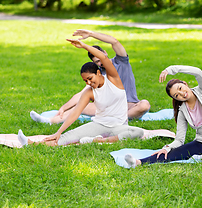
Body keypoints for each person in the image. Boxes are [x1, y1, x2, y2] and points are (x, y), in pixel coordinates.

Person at [18, 38, 175, 147]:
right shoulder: (89, 91)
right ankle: (31, 143)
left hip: (119, 126)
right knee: (66, 137)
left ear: (98, 73)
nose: (88, 82)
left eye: (90, 78)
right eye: (85, 80)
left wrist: (84, 45)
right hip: (98, 125)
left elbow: (103, 57)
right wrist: (58, 132)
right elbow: (75, 113)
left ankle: (98, 141)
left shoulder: (114, 79)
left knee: (137, 131)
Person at [124, 65, 202, 168]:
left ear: (185, 83)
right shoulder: (182, 111)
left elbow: (198, 72)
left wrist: (171, 69)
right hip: (201, 143)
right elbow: (180, 139)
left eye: (180, 88)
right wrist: (166, 148)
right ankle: (137, 162)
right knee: (171, 154)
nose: (181, 94)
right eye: (176, 95)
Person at [30, 29, 150, 124]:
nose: (100, 63)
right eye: (97, 62)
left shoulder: (121, 61)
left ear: (105, 53)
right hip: (110, 109)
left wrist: (91, 34)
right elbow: (83, 94)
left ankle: (117, 118)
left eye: (100, 58)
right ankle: (50, 121)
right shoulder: (99, 75)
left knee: (145, 105)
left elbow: (114, 41)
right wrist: (63, 107)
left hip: (130, 106)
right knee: (82, 105)